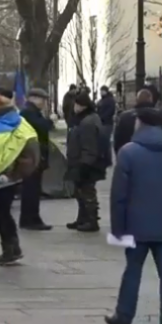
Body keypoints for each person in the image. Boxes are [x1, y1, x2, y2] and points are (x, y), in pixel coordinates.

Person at [105, 108, 162, 324]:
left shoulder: (128, 153)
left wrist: (118, 229)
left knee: (132, 271)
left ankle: (124, 316)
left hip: (135, 225)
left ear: (141, 124)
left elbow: (118, 196)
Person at [0, 90, 39, 266]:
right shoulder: (17, 122)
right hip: (7, 175)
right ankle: (11, 248)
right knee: (3, 212)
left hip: (2, 175)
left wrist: (8, 172)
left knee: (2, 213)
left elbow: (0, 152)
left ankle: (10, 249)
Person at [65, 93, 106, 232]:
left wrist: (85, 165)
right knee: (80, 191)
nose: (74, 107)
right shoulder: (85, 119)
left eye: (76, 104)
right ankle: (82, 218)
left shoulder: (87, 122)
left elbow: (89, 146)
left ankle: (91, 220)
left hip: (85, 163)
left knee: (87, 191)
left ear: (81, 106)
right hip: (81, 161)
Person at [18, 87, 54, 231]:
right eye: (43, 100)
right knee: (31, 189)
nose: (44, 103)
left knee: (33, 188)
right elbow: (41, 127)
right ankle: (29, 219)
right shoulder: (28, 112)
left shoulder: (32, 112)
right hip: (32, 156)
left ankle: (32, 217)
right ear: (34, 98)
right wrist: (50, 121)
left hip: (34, 155)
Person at [113, 88, 155, 154]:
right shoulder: (158, 116)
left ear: (136, 100)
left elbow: (118, 140)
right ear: (151, 100)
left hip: (128, 154)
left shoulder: (124, 116)